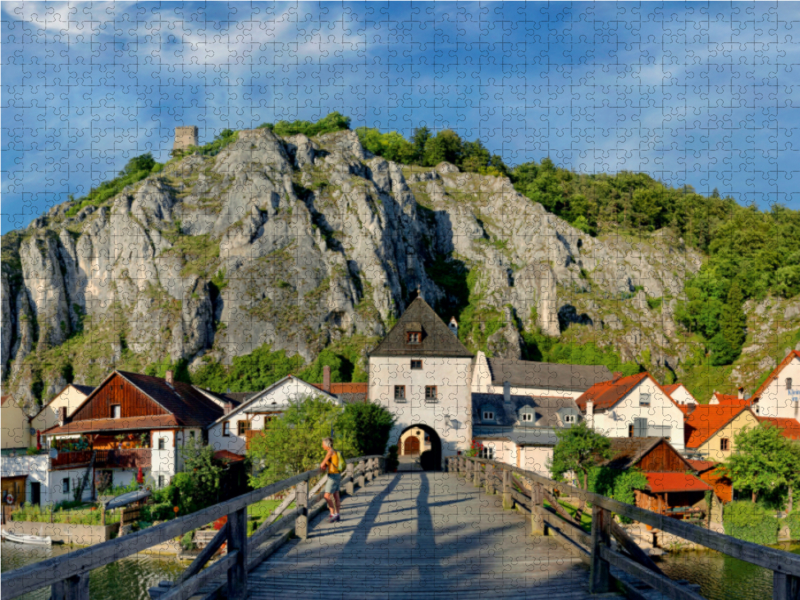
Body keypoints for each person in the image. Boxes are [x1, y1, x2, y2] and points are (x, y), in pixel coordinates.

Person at [320, 437, 343, 522]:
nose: (322, 446)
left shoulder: (330, 452)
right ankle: (337, 515)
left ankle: (332, 514)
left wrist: (323, 464)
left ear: (327, 445)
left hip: (333, 476)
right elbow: (328, 463)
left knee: (326, 496)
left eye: (323, 445)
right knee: (336, 495)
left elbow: (322, 464)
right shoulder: (335, 452)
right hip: (337, 475)